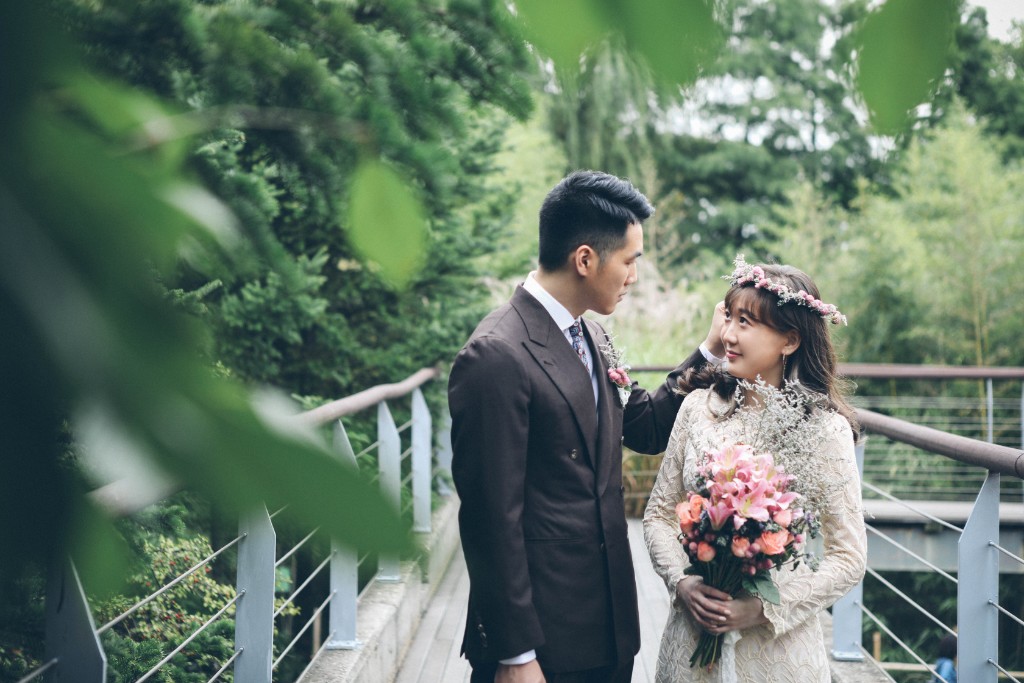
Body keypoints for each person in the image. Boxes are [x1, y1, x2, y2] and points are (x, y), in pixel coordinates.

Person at [448, 170, 725, 683]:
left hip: (606, 626)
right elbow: (490, 519)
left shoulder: (591, 335)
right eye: (630, 260)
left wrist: (709, 352)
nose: (634, 276)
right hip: (539, 641)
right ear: (585, 259)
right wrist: (515, 655)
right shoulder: (496, 355)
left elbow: (643, 426)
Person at [643, 257, 867, 682]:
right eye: (728, 317)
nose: (727, 334)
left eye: (745, 322)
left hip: (778, 653)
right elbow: (657, 515)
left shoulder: (824, 428)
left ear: (789, 340)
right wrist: (683, 583)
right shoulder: (697, 407)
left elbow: (849, 557)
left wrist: (762, 608)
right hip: (691, 641)